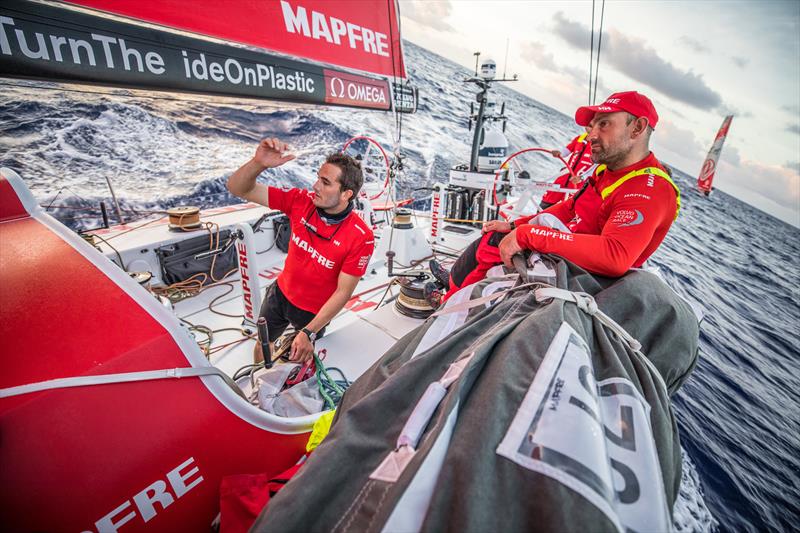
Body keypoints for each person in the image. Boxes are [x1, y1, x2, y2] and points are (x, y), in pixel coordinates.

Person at [427, 91, 680, 306]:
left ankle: (451, 305)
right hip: (571, 260)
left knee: (493, 244)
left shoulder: (650, 189)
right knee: (493, 237)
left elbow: (615, 257)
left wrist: (529, 235)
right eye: (593, 126)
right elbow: (571, 208)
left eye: (604, 124)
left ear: (637, 127)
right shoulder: (610, 171)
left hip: (587, 280)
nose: (591, 135)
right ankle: (453, 292)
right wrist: (516, 225)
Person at [227, 138, 375, 363]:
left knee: (301, 362)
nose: (315, 186)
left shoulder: (361, 236)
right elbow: (238, 188)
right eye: (318, 178)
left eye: (325, 182)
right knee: (263, 344)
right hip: (280, 294)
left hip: (314, 312)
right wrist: (259, 163)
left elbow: (343, 292)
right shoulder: (300, 201)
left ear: (347, 194)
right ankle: (259, 378)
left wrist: (309, 331)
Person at [538, 128, 596, 209]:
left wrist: (582, 177)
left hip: (578, 183)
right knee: (546, 202)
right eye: (589, 125)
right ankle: (534, 218)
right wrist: (558, 153)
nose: (588, 127)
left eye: (592, 125)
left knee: (566, 208)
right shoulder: (579, 138)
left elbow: (596, 168)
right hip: (563, 178)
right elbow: (565, 152)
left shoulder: (598, 146)